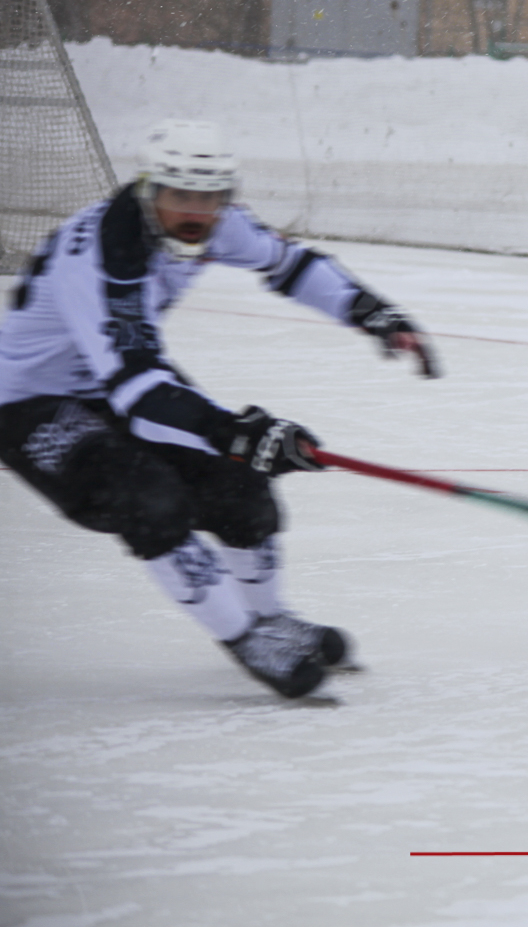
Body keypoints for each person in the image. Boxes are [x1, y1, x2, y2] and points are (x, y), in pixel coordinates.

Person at [0, 119, 439, 699]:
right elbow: (136, 390)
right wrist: (234, 431)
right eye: (181, 196)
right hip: (29, 401)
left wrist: (373, 313)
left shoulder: (214, 221)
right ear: (149, 189)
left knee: (240, 485)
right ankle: (241, 635)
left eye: (210, 198)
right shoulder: (107, 251)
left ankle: (271, 619)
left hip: (114, 382)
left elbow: (290, 265)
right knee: (149, 500)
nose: (197, 212)